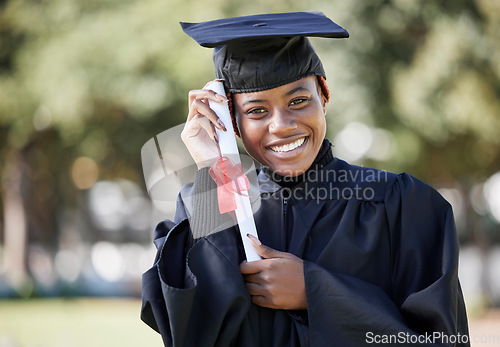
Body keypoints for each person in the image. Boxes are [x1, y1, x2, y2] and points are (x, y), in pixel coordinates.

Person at [141, 12, 470, 346]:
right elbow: (191, 333)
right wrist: (214, 168)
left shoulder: (401, 204)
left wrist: (316, 292)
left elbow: (442, 340)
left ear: (324, 96)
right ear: (232, 123)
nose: (282, 125)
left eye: (298, 101)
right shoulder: (210, 204)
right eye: (257, 111)